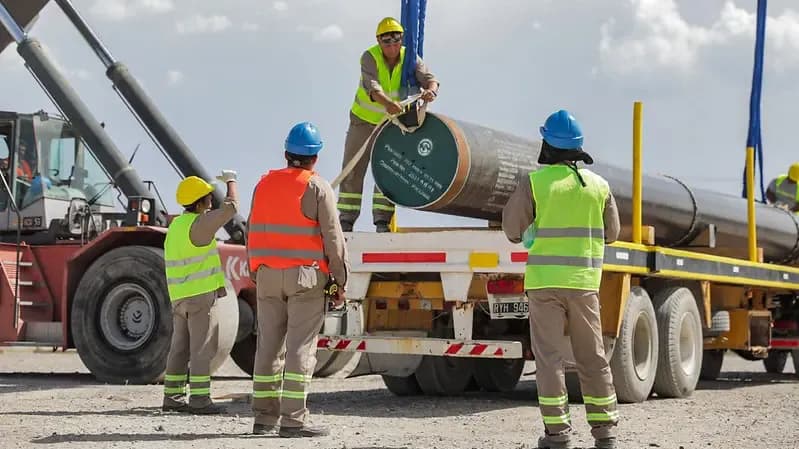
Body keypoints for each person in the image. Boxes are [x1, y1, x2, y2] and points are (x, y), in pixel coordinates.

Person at [502, 110, 621, 449]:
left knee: (549, 359)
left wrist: (535, 228)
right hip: (584, 284)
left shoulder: (535, 183)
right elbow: (612, 233)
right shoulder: (599, 186)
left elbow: (512, 230)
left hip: (544, 285)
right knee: (593, 357)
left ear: (549, 145)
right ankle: (605, 433)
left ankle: (558, 435)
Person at [247, 121, 349, 438]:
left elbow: (252, 230)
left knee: (268, 348)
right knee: (300, 348)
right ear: (315, 157)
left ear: (286, 153)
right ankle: (293, 421)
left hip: (266, 275)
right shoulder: (317, 187)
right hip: (305, 279)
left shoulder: (263, 185)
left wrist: (255, 271)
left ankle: (264, 419)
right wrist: (339, 281)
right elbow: (333, 239)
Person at [337, 16, 440, 232]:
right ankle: (346, 219)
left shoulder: (410, 58)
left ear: (401, 39)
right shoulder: (369, 57)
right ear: (378, 41)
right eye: (386, 41)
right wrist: (388, 104)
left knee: (389, 169)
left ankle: (382, 220)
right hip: (363, 121)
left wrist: (431, 91)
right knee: (353, 169)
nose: (392, 46)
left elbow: (430, 79)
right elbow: (373, 88)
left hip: (391, 125)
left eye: (396, 40)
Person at [161, 170, 239, 414]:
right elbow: (231, 208)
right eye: (207, 196)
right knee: (202, 348)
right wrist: (231, 181)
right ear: (198, 203)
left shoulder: (176, 225)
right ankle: (200, 399)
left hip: (179, 297)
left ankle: (172, 397)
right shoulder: (200, 224)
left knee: (179, 348)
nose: (211, 199)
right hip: (199, 297)